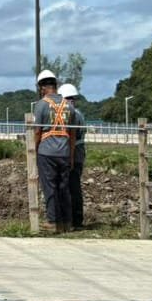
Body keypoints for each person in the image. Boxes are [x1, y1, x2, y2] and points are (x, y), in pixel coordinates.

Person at [31, 69, 79, 228]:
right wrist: (71, 156)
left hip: (47, 153)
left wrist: (34, 150)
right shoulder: (69, 106)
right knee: (64, 187)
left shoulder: (41, 105)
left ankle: (53, 221)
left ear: (42, 88)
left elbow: (37, 132)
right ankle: (67, 221)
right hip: (64, 152)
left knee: (50, 187)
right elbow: (72, 135)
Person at [59, 82, 86, 229]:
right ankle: (75, 219)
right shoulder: (78, 113)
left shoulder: (73, 114)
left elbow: (71, 136)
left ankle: (74, 220)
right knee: (73, 186)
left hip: (74, 152)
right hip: (78, 152)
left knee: (72, 187)